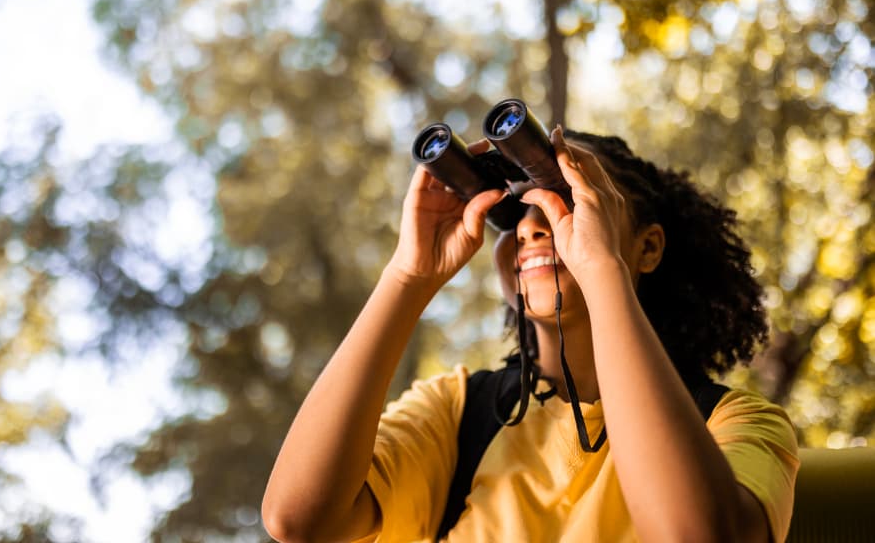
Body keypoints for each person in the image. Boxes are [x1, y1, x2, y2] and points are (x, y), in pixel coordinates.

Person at [261, 125, 800, 542]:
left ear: (648, 247)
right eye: (513, 211)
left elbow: (697, 536)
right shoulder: (459, 410)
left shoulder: (735, 422)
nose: (531, 224)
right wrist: (408, 277)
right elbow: (298, 519)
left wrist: (601, 266)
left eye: (564, 197)